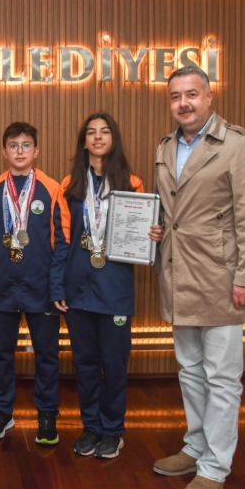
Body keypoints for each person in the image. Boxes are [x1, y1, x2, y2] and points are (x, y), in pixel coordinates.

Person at [152, 65, 245, 489]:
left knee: (221, 377)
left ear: (209, 96)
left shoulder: (237, 145)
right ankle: (196, 446)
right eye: (175, 96)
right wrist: (156, 231)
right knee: (190, 370)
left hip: (221, 278)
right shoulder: (166, 147)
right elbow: (172, 211)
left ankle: (215, 467)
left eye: (191, 94)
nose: (183, 103)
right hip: (179, 276)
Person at [54, 112, 162, 459]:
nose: (97, 137)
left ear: (113, 139)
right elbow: (61, 240)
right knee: (85, 364)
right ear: (84, 142)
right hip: (78, 290)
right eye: (91, 132)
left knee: (114, 365)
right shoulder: (69, 185)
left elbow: (142, 235)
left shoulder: (132, 184)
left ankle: (113, 430)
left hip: (115, 289)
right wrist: (58, 287)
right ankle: (91, 427)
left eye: (104, 132)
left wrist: (151, 235)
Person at [0, 122, 69, 444]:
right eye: (13, 145)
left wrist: (57, 288)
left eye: (26, 145)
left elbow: (61, 243)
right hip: (2, 286)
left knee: (47, 354)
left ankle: (47, 413)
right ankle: (3, 411)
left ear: (36, 151)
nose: (19, 151)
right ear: (4, 152)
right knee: (1, 353)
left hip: (41, 288)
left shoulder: (52, 188)